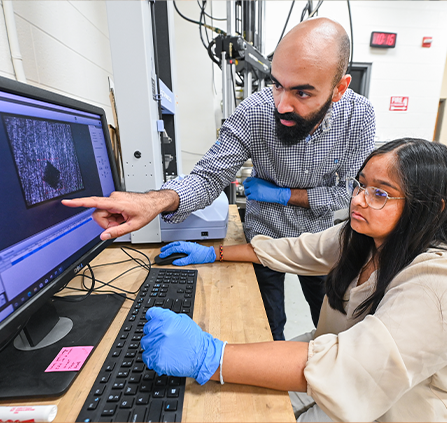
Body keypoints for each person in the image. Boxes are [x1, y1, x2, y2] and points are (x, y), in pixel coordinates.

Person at [62, 17, 376, 340]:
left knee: (328, 327)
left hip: (317, 244)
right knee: (269, 328)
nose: (282, 104)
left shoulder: (360, 118)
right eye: (277, 84)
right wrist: (153, 201)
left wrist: (285, 194)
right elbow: (208, 177)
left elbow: (345, 195)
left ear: (339, 89)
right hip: (263, 238)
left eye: (302, 93)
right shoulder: (256, 112)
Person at [141, 138, 447, 422]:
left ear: (433, 208)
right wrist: (215, 254)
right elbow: (298, 250)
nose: (358, 200)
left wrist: (213, 356)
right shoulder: (363, 239)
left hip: (382, 403)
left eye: (380, 193)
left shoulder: (435, 283)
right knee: (234, 395)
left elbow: (353, 368)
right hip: (331, 362)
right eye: (360, 185)